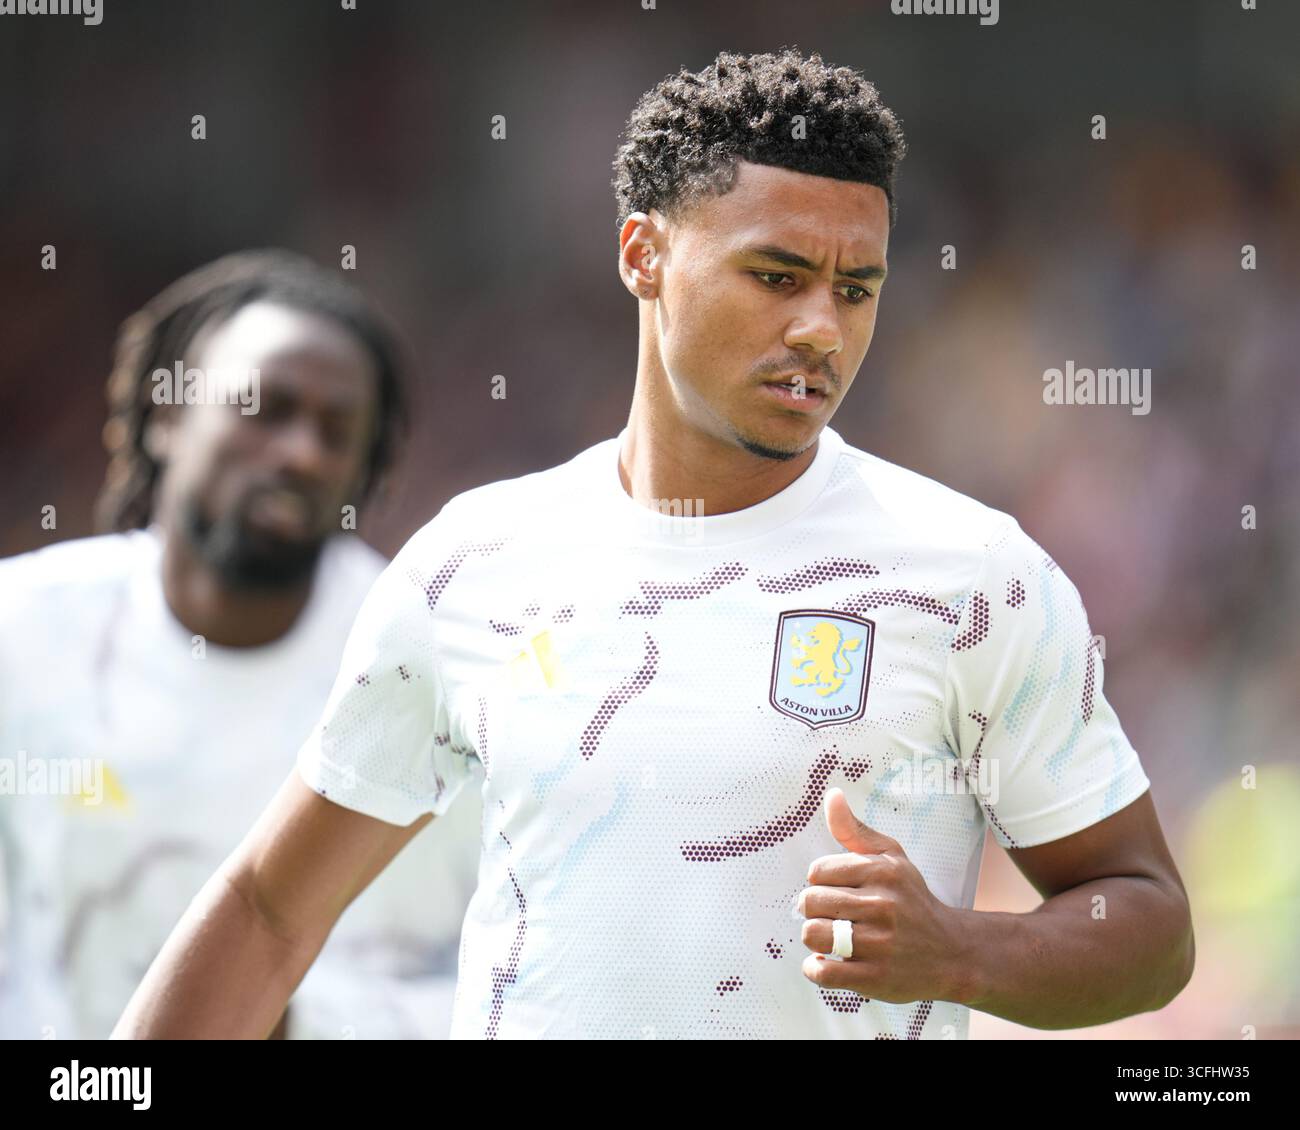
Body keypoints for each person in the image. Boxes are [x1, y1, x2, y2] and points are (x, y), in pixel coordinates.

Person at [113, 50, 1193, 1041]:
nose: (822, 325)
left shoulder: (972, 577)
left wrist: (965, 950)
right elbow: (266, 909)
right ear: (644, 252)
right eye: (776, 276)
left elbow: (1148, 921)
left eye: (854, 288)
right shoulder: (473, 566)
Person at [0, 249, 481, 1039]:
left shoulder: (441, 671)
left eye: (337, 432)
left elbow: (511, 978)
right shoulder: (21, 635)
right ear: (167, 416)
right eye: (265, 408)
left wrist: (282, 1014)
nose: (300, 453)